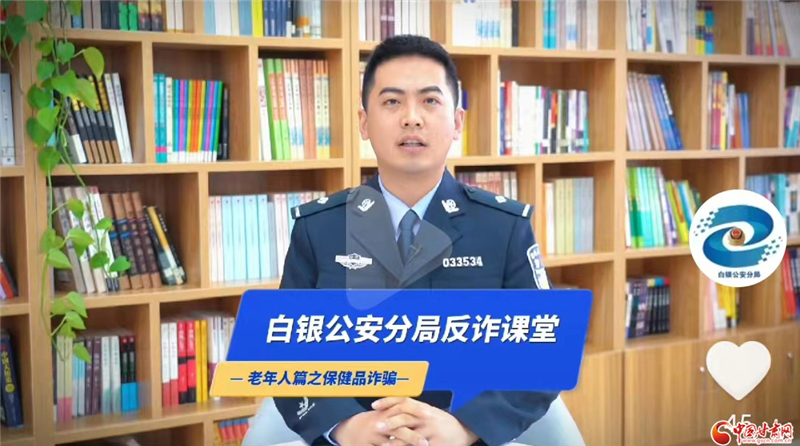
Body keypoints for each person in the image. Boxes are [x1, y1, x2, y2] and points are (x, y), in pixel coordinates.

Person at [275, 35, 561, 446]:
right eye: (392, 101)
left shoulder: (503, 228)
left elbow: (543, 354)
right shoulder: (319, 228)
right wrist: (346, 427)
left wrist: (465, 428)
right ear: (364, 122)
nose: (412, 118)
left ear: (457, 122)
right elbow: (285, 352)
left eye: (429, 100)